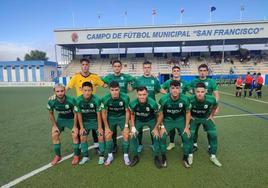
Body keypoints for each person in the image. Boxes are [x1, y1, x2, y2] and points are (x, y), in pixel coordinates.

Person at [66, 58, 107, 151]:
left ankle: (97, 146)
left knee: (94, 128)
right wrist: (56, 95)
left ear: (89, 65)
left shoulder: (94, 77)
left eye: (86, 64)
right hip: (81, 106)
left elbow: (104, 85)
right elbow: (67, 87)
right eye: (83, 64)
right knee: (81, 127)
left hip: (93, 105)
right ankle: (80, 147)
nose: (85, 66)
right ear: (81, 66)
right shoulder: (76, 77)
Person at [102, 60, 135, 153]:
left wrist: (130, 89)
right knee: (112, 131)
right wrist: (104, 85)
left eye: (118, 66)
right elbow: (101, 82)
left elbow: (135, 81)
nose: (117, 68)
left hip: (123, 104)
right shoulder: (109, 77)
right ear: (113, 67)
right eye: (115, 66)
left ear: (121, 67)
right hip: (112, 105)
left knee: (125, 129)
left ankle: (129, 147)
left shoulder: (125, 77)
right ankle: (114, 146)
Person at [158, 80, 191, 168]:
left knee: (186, 136)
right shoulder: (163, 99)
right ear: (169, 89)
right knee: (162, 137)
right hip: (168, 120)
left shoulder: (185, 99)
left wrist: (187, 126)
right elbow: (160, 114)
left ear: (180, 89)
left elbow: (188, 113)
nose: (175, 90)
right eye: (173, 88)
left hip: (180, 120)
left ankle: (185, 158)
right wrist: (162, 126)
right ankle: (164, 157)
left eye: (177, 88)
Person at [188, 82, 222, 167]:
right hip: (194, 118)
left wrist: (211, 116)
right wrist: (190, 117)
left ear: (206, 91)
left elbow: (215, 107)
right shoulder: (190, 99)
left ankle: (213, 156)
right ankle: (190, 154)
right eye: (198, 92)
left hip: (206, 118)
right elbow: (186, 109)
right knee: (190, 134)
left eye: (202, 92)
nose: (200, 94)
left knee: (213, 134)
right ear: (194, 91)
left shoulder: (211, 99)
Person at [132, 61, 162, 153]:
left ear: (150, 68)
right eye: (145, 67)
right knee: (139, 129)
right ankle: (140, 144)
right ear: (143, 68)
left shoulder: (155, 80)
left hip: (152, 107)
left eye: (148, 67)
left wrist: (169, 93)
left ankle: (153, 144)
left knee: (153, 127)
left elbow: (159, 89)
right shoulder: (138, 80)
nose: (147, 69)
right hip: (140, 107)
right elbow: (131, 89)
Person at [129, 86, 162, 168]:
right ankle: (135, 156)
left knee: (156, 135)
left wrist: (156, 128)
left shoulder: (152, 103)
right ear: (137, 95)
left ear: (147, 94)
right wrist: (133, 127)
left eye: (144, 94)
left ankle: (156, 157)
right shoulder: (133, 103)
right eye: (140, 95)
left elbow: (160, 115)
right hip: (139, 120)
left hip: (151, 120)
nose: (142, 97)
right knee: (133, 136)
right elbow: (132, 115)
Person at [189, 64, 219, 152]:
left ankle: (210, 145)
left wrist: (216, 107)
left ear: (207, 71)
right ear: (198, 72)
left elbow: (216, 95)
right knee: (194, 129)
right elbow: (188, 90)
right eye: (200, 71)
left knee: (209, 129)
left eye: (204, 71)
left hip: (208, 110)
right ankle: (194, 144)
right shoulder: (194, 81)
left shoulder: (211, 82)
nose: (202, 73)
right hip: (196, 109)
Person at [47, 83, 80, 166]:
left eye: (62, 91)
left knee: (75, 134)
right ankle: (58, 156)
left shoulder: (71, 100)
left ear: (65, 91)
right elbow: (50, 114)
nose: (60, 93)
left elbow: (76, 113)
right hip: (61, 120)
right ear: (54, 92)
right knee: (54, 134)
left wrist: (75, 126)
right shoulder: (51, 101)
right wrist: (54, 126)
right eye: (57, 91)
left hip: (71, 119)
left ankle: (76, 155)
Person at [74, 82, 105, 165]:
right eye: (85, 90)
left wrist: (99, 127)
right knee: (82, 137)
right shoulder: (78, 100)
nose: (87, 92)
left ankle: (102, 156)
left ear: (92, 90)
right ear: (81, 90)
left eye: (89, 90)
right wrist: (81, 127)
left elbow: (99, 114)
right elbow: (79, 114)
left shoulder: (97, 99)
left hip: (95, 121)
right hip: (85, 122)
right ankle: (85, 156)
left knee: (100, 136)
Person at [101, 81, 131, 166]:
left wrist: (126, 125)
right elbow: (104, 113)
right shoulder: (105, 98)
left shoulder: (125, 97)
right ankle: (110, 156)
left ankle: (126, 155)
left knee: (126, 134)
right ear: (109, 90)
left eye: (116, 90)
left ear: (119, 89)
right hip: (111, 118)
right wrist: (106, 127)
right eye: (112, 90)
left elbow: (127, 112)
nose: (114, 92)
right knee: (108, 135)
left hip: (122, 117)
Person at [160, 65, 189, 151]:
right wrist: (166, 94)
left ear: (180, 72)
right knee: (171, 126)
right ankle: (172, 142)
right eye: (174, 71)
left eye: (177, 70)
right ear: (172, 72)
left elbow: (190, 90)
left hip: (181, 107)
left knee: (181, 125)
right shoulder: (168, 81)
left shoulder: (184, 82)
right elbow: (161, 88)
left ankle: (183, 141)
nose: (176, 72)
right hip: (170, 107)